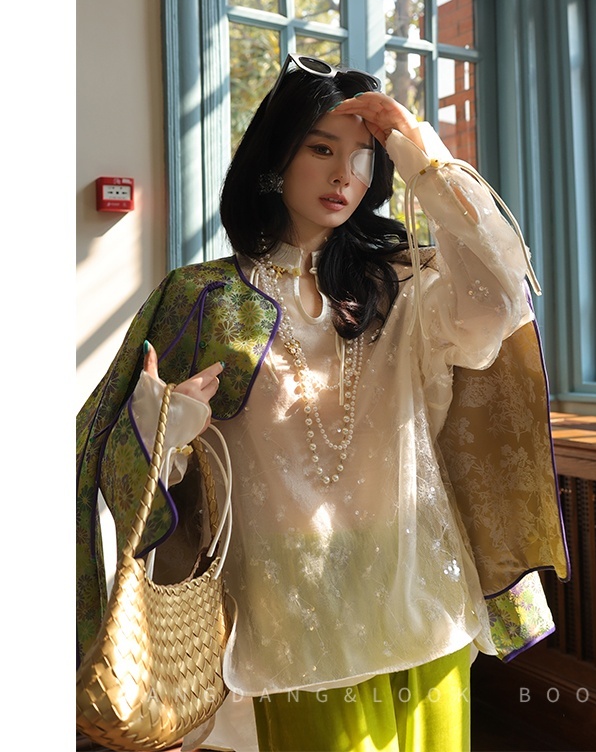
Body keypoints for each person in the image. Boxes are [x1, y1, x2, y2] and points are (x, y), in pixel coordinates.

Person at [76, 56, 568, 752]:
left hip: (420, 589)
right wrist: (168, 429)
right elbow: (116, 465)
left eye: (364, 157)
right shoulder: (205, 298)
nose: (344, 175)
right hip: (292, 612)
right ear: (276, 158)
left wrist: (420, 154)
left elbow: (502, 295)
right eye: (321, 149)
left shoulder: (402, 290)